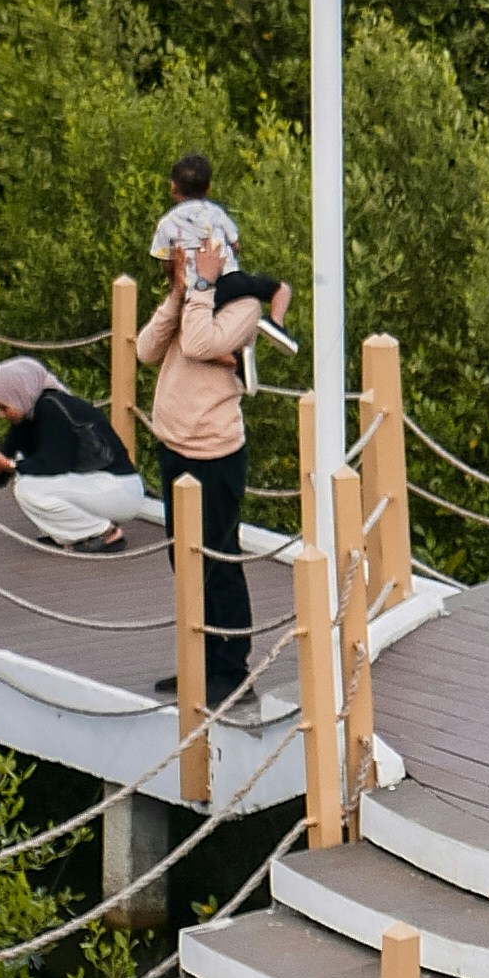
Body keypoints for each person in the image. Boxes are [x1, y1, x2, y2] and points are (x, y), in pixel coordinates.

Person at [134, 257, 286, 704]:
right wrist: (179, 295)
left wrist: (197, 290)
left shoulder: (242, 309)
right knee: (184, 561)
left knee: (218, 561)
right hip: (174, 447)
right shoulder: (191, 303)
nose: (181, 264)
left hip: (215, 453)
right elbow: (145, 349)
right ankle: (199, 665)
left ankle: (234, 672)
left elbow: (200, 344)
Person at [0, 356, 152, 548]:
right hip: (93, 484)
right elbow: (1, 477)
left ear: (19, 394)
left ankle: (104, 534)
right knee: (25, 482)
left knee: (28, 488)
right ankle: (70, 534)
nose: (1, 415)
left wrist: (10, 465)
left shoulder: (53, 408)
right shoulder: (26, 415)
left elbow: (54, 464)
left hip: (119, 488)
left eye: (3, 407)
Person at [150, 150, 240, 292]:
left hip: (192, 290)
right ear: (209, 188)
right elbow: (236, 244)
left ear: (173, 187)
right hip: (228, 285)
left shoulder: (167, 222)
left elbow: (167, 263)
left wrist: (175, 287)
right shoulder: (217, 213)